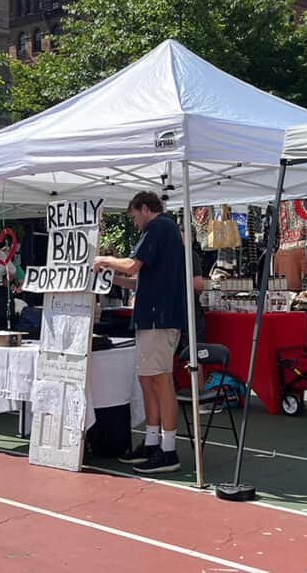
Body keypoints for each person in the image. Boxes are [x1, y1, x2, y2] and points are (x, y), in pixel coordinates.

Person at [94, 191, 186, 474]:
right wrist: (114, 278)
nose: (134, 223)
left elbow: (133, 265)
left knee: (160, 380)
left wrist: (103, 260)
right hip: (152, 317)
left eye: (134, 217)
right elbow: (140, 279)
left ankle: (168, 449)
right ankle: (152, 442)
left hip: (160, 319)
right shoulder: (165, 231)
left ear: (145, 209)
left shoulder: (159, 227)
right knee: (148, 380)